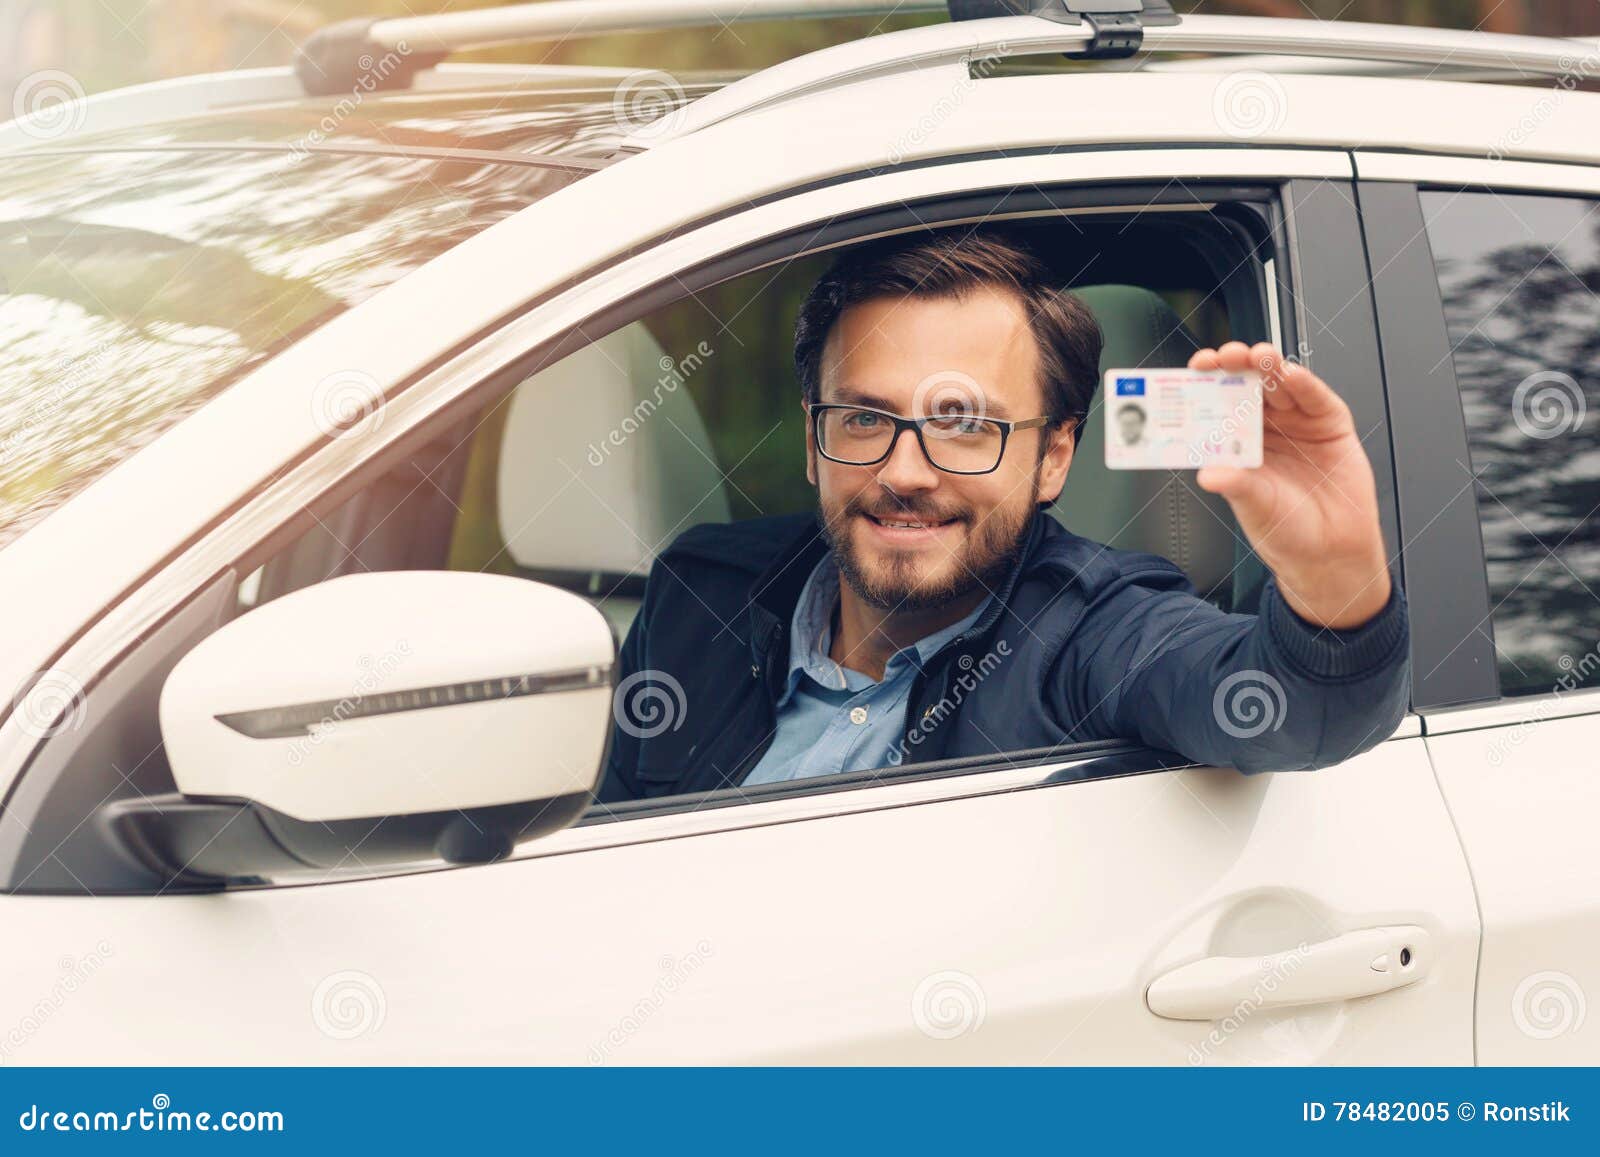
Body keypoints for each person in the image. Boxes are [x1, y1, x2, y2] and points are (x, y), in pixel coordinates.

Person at [598, 227, 1408, 802]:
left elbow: (1300, 714)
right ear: (814, 438)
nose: (903, 473)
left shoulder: (1095, 631)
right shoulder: (699, 593)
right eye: (864, 419)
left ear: (1054, 456)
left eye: (965, 426)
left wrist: (1332, 576)